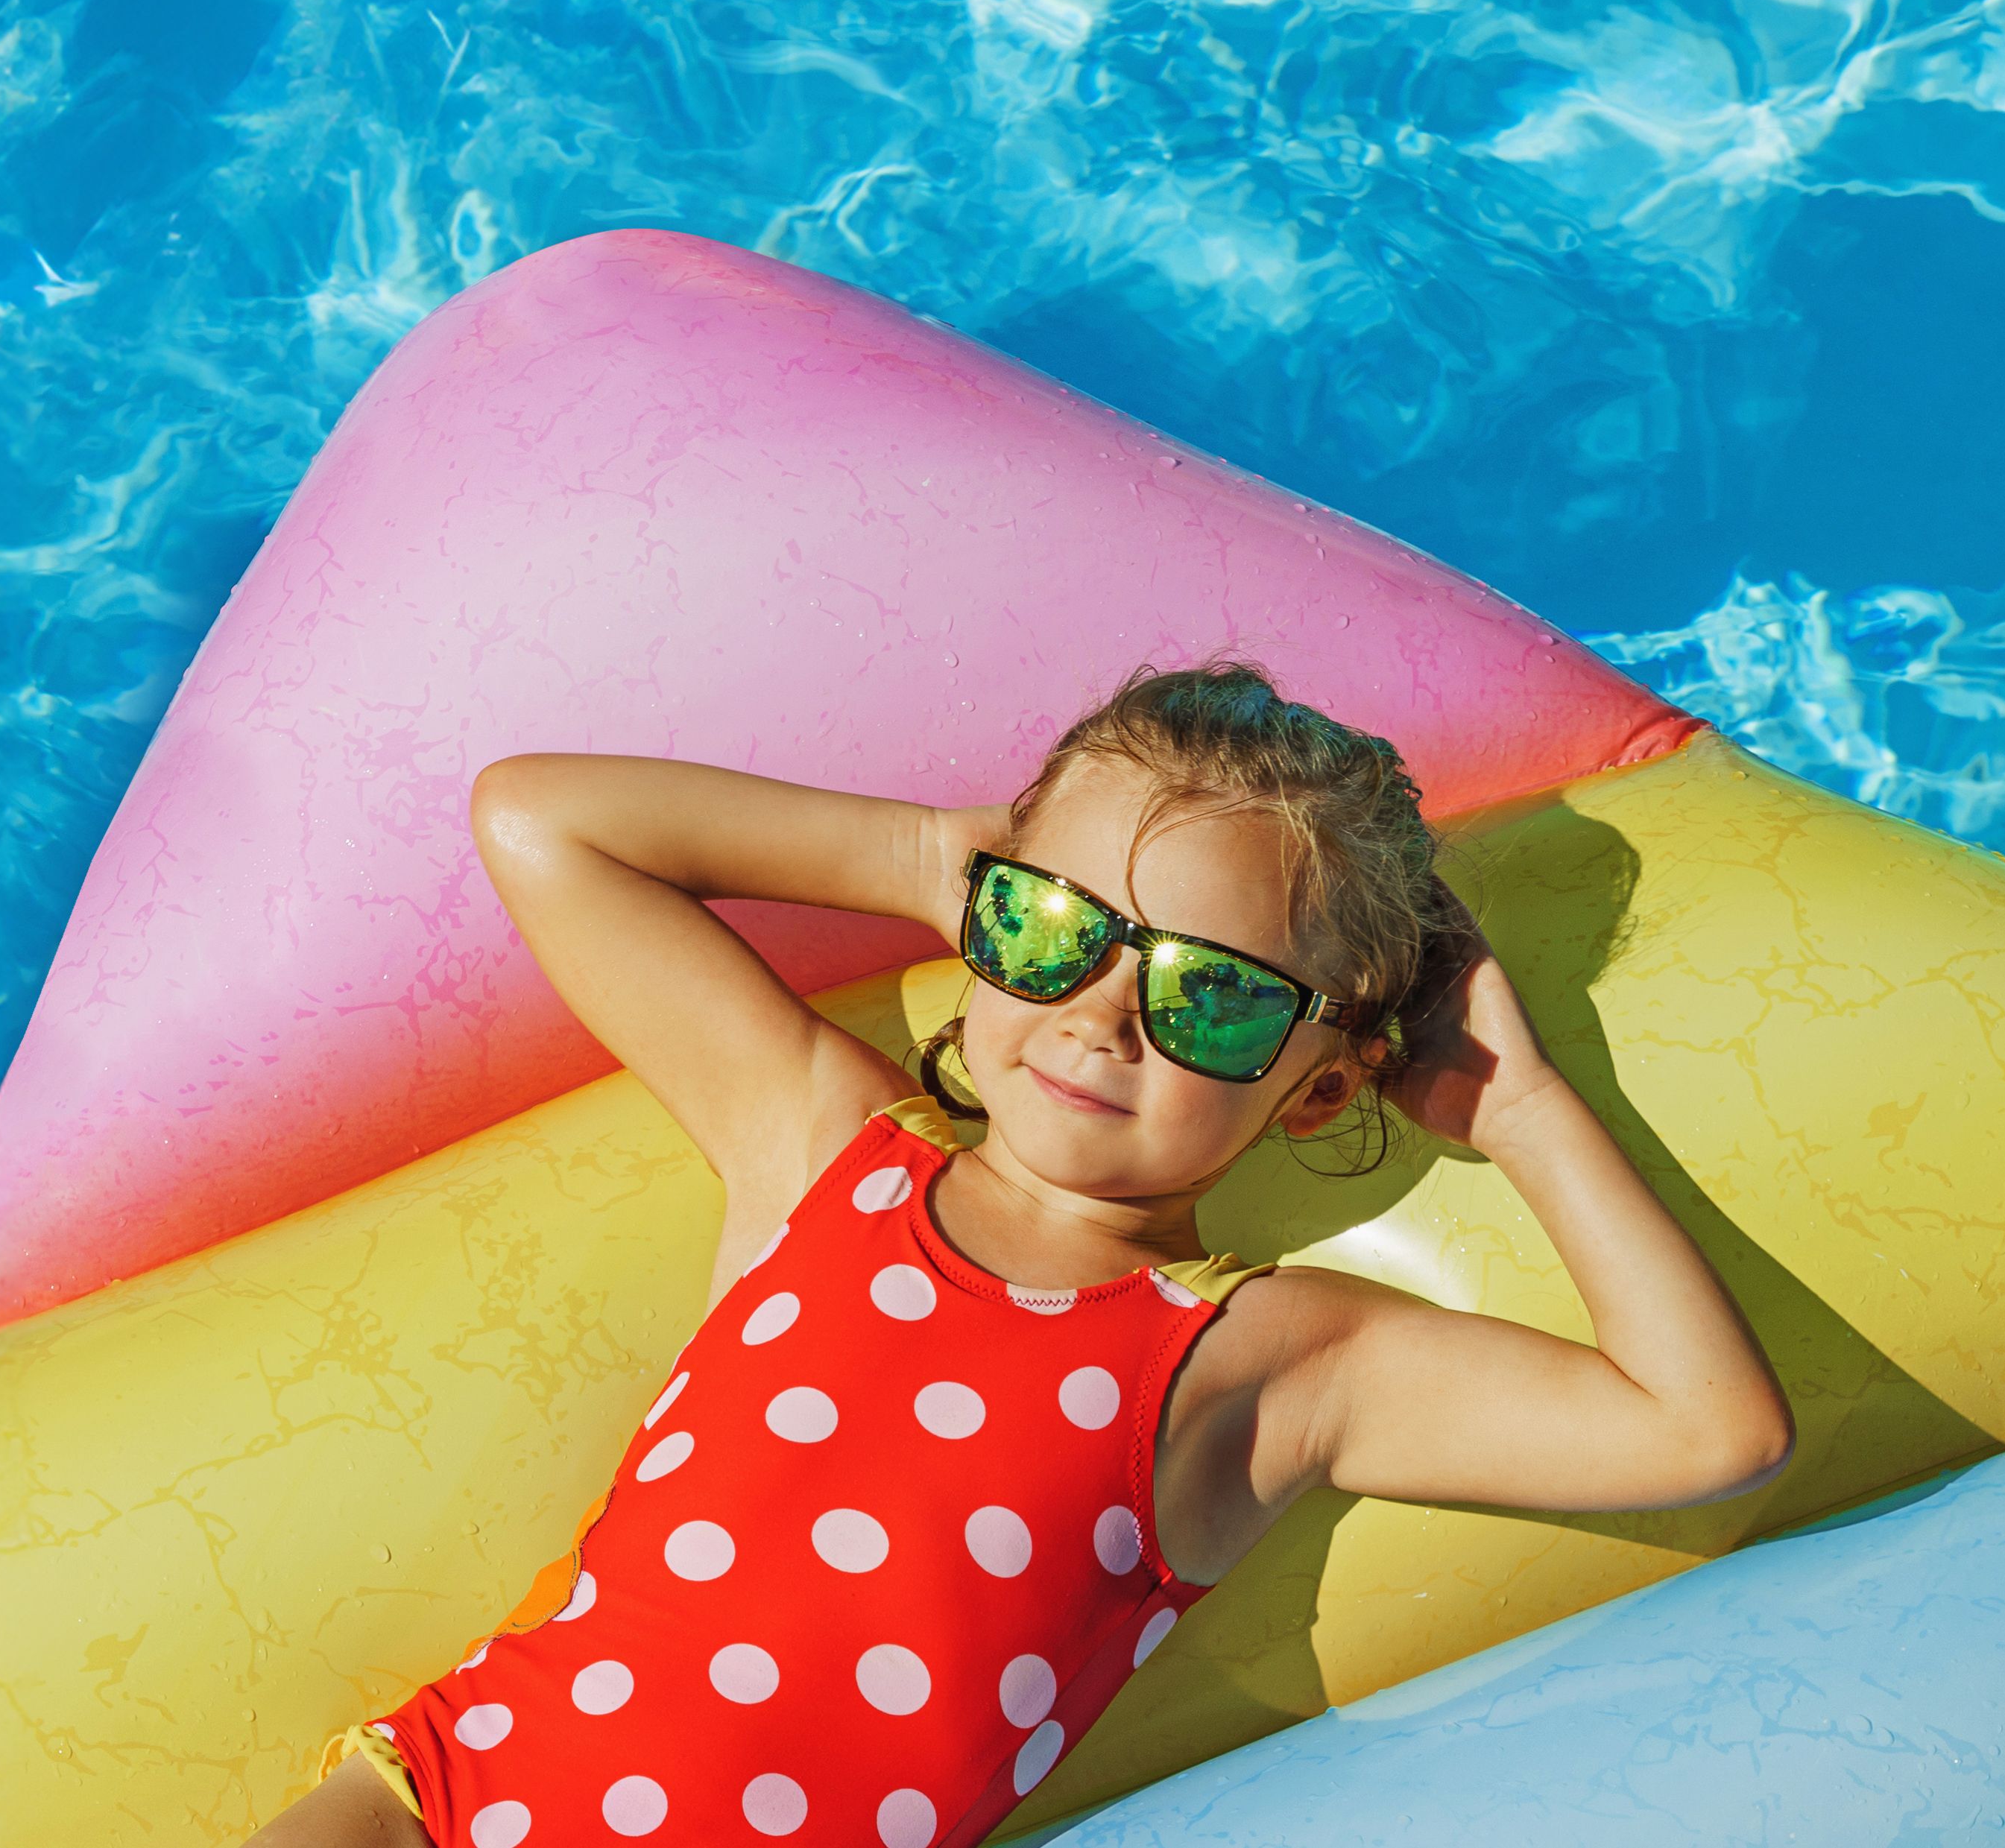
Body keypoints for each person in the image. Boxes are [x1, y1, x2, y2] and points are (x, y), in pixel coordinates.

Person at [244, 661, 1790, 1848]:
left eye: (1216, 996)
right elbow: (540, 817)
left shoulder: (1259, 1355)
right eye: (1052, 926)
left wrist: (1517, 1110)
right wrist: (920, 852)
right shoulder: (823, 1145)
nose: (1103, 1011)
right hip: (432, 1803)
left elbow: (1707, 1426)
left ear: (1319, 1082)